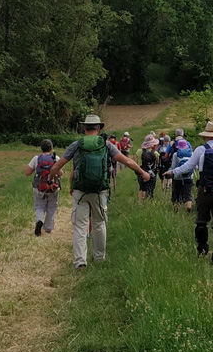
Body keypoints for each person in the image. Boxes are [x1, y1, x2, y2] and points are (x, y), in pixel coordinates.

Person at [51, 114, 151, 268]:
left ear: (84, 128)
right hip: (100, 191)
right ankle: (99, 259)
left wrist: (51, 178)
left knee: (80, 225)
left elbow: (58, 166)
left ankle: (80, 262)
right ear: (98, 128)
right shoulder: (106, 145)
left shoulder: (76, 145)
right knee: (99, 224)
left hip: (80, 191)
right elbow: (127, 161)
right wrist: (142, 173)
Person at [164, 121, 213, 265]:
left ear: (206, 136)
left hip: (204, 191)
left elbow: (187, 167)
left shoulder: (200, 150)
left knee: (201, 221)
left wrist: (172, 172)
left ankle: (202, 249)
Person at [22, 139, 61, 236]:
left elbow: (27, 173)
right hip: (53, 187)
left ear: (41, 148)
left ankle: (39, 221)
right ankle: (48, 228)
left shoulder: (36, 158)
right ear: (51, 148)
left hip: (39, 187)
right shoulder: (56, 158)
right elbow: (60, 173)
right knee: (52, 207)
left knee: (39, 206)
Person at [167, 128, 195, 212]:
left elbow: (173, 166)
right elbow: (193, 165)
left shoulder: (175, 154)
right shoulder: (191, 152)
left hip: (177, 177)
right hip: (189, 176)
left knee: (176, 193)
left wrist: (171, 172)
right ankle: (189, 206)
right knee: (188, 194)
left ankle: (176, 210)